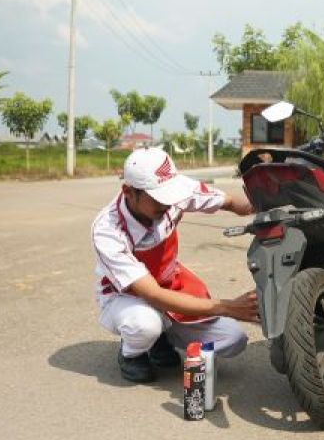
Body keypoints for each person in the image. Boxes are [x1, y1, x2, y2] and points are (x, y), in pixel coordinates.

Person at [91, 147, 259, 383]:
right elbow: (152, 294)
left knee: (233, 339)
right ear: (129, 192)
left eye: (171, 196)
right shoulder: (108, 230)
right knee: (144, 325)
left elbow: (231, 202)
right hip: (127, 297)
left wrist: (263, 202)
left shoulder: (176, 193)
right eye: (160, 199)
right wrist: (227, 307)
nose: (169, 205)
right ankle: (132, 353)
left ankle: (163, 337)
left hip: (170, 284)